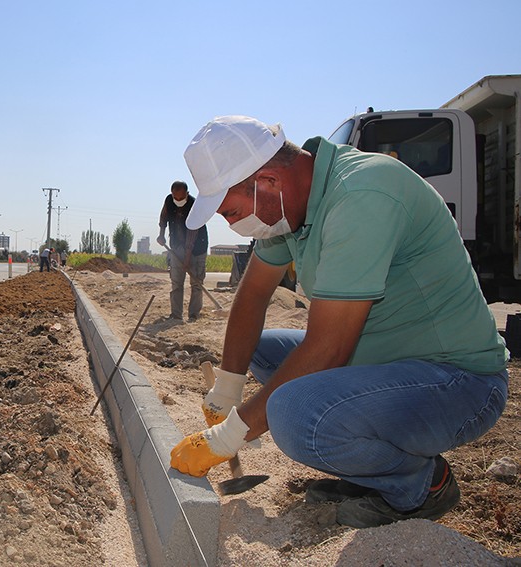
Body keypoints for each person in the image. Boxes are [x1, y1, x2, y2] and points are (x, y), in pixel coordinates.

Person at [169, 115, 508, 528]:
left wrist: (229, 435)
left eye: (233, 212)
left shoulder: (362, 195)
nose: (234, 225)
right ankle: (371, 472)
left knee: (294, 415)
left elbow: (328, 348)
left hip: (456, 381)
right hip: (382, 362)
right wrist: (227, 387)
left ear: (270, 182)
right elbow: (253, 295)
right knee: (258, 351)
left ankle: (421, 486)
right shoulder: (289, 207)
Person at [157, 180, 209, 321]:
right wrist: (161, 235)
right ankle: (176, 314)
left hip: (197, 248)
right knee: (176, 282)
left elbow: (192, 235)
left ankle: (193, 314)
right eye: (175, 197)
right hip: (177, 246)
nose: (177, 200)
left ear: (187, 193)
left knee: (196, 283)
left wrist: (187, 260)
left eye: (181, 197)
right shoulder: (169, 201)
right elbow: (163, 219)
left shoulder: (195, 206)